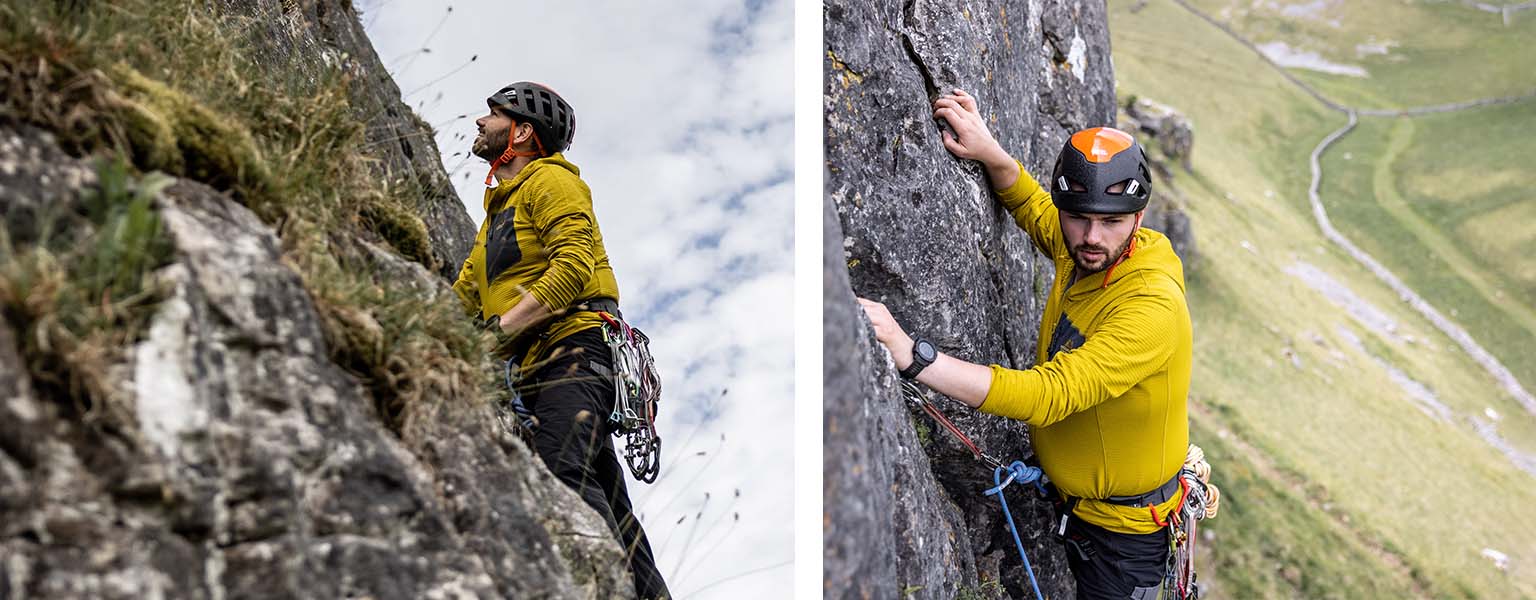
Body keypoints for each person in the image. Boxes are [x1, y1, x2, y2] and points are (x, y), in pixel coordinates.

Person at [859, 88, 1191, 600]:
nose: (1091, 237)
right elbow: (1037, 209)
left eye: (1111, 222)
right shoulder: (1084, 247)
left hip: (1125, 544)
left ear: (1138, 221)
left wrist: (912, 355)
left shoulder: (1151, 308)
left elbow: (1048, 396)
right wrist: (990, 152)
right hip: (1078, 511)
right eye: (1079, 216)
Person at [452, 81, 670, 600]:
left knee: (560, 470)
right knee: (611, 503)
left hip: (575, 345)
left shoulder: (551, 182)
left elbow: (573, 267)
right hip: (545, 359)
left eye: (494, 115)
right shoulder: (495, 218)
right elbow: (461, 296)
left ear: (522, 131)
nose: (480, 122)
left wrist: (497, 335)